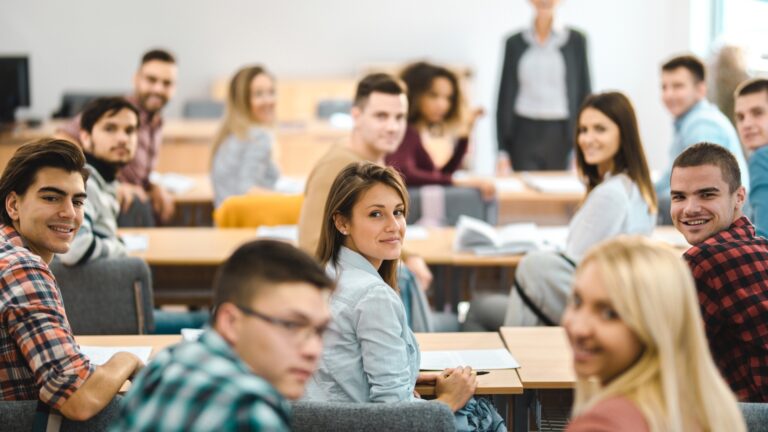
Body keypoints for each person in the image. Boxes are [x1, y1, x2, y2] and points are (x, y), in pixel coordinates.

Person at [305, 162, 504, 431]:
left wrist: (407, 377)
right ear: (342, 222)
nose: (394, 226)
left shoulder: (323, 274)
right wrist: (448, 400)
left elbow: (341, 371)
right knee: (484, 415)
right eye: (376, 214)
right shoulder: (373, 296)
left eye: (398, 212)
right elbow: (395, 420)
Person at [112, 240, 333, 431]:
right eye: (292, 325)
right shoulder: (249, 413)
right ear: (230, 322)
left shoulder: (166, 361)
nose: (314, 350)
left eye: (320, 331)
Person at [0, 138, 143, 420]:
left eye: (77, 201)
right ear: (14, 205)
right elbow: (78, 400)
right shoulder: (21, 266)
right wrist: (126, 360)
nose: (69, 213)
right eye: (51, 197)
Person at [496, 92, 657, 328]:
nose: (587, 139)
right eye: (583, 130)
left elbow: (575, 259)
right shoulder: (636, 186)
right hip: (616, 298)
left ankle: (514, 355)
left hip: (598, 301)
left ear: (624, 133)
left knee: (532, 267)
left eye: (600, 129)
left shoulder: (611, 193)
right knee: (484, 306)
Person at [563, 236, 745, 431]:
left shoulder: (602, 425)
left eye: (610, 314)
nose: (579, 328)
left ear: (655, 324)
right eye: (577, 301)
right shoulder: (709, 407)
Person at [298, 73, 433, 297]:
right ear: (356, 116)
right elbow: (312, 247)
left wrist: (408, 255)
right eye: (381, 116)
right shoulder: (338, 166)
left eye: (399, 117)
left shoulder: (372, 159)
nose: (392, 127)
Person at [669, 142, 768, 402]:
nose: (690, 208)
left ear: (739, 197)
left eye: (707, 195)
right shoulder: (760, 246)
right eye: (679, 196)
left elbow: (662, 357)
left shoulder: (703, 261)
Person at [57, 49, 178, 225]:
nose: (158, 88)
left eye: (167, 83)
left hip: (134, 201)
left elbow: (138, 174)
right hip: (110, 202)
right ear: (136, 79)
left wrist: (153, 186)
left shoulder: (156, 122)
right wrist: (109, 185)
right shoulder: (116, 112)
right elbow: (61, 139)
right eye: (151, 80)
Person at [496, 0, 591, 172]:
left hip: (561, 132)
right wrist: (502, 150)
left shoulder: (576, 41)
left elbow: (585, 94)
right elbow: (504, 97)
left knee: (558, 193)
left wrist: (582, 143)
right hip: (523, 132)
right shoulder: (514, 43)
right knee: (525, 193)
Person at [656, 54, 749, 223]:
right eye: (664, 87)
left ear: (700, 90)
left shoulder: (701, 125)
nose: (669, 94)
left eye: (678, 86)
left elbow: (698, 186)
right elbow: (667, 180)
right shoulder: (687, 122)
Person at [386, 61, 494, 199]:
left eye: (448, 98)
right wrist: (457, 182)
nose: (443, 105)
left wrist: (465, 135)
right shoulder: (406, 130)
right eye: (433, 95)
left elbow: (441, 176)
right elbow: (402, 173)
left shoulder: (415, 132)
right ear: (414, 94)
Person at [58, 97, 139, 265]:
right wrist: (120, 246)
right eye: (110, 129)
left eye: (130, 130)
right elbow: (73, 249)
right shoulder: (84, 184)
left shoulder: (105, 180)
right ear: (86, 138)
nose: (123, 138)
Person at [211, 65, 281, 208]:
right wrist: (295, 200)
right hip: (248, 225)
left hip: (226, 224)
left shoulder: (228, 135)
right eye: (258, 94)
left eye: (271, 92)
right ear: (242, 101)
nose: (269, 100)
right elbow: (247, 191)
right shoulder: (258, 138)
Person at [734, 78, 768, 237]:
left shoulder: (761, 158)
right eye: (740, 117)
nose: (746, 124)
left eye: (757, 113)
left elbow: (764, 239)